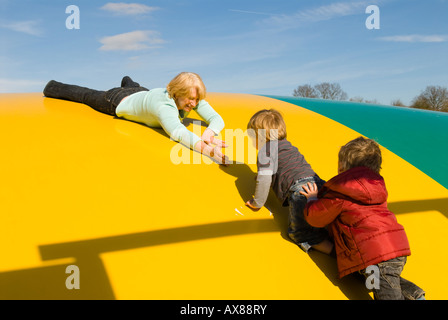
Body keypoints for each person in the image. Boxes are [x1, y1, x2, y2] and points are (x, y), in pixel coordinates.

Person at [300, 136, 425, 300]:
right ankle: (416, 296)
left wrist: (312, 199)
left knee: (385, 290)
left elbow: (315, 218)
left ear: (342, 167)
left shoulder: (341, 191)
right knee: (386, 280)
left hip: (376, 255)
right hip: (395, 247)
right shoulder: (377, 187)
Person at [43, 72, 228, 164]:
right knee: (85, 95)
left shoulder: (193, 98)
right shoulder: (163, 106)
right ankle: (52, 86)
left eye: (197, 99)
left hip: (143, 93)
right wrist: (208, 151)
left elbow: (216, 118)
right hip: (117, 100)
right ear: (177, 93)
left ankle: (128, 81)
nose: (194, 104)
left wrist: (209, 133)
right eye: (190, 99)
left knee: (136, 88)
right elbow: (178, 132)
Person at [244, 109, 334, 254]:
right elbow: (286, 168)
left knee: (299, 233)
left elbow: (265, 178)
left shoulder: (265, 151)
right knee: (322, 221)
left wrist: (257, 203)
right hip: (317, 184)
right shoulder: (288, 145)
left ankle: (334, 252)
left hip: (301, 191)